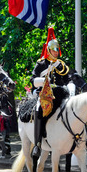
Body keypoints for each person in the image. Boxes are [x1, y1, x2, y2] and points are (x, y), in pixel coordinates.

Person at [30, 28, 70, 158]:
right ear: (48, 50)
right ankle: (37, 144)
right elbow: (32, 80)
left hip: (60, 94)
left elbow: (66, 79)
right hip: (45, 96)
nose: (56, 52)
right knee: (38, 111)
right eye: (54, 50)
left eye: (57, 50)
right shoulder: (41, 64)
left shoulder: (61, 65)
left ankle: (81, 139)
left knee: (75, 109)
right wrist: (44, 81)